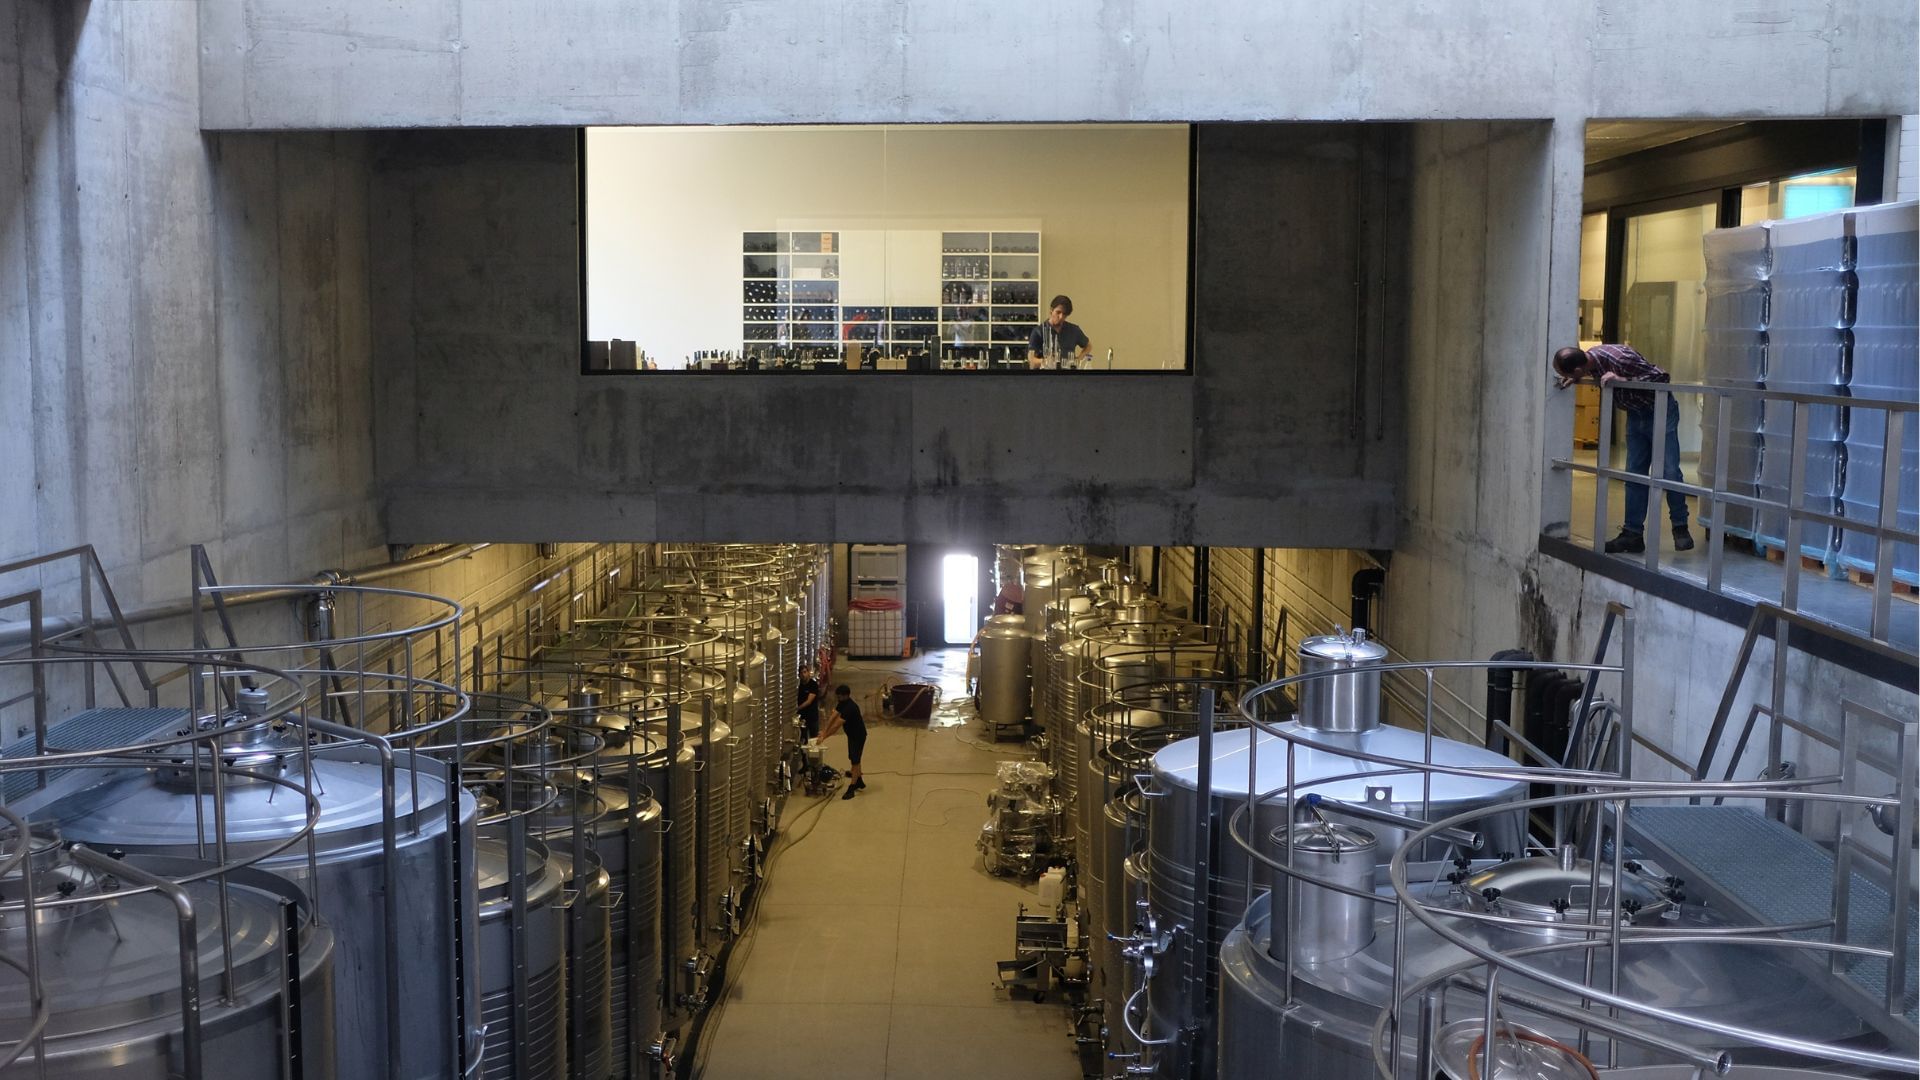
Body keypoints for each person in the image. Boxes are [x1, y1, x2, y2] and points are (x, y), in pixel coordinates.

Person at [1552, 344, 1694, 554]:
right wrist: (1576, 379)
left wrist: (1623, 381)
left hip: (1659, 410)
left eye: (1567, 374)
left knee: (1669, 470)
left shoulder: (1620, 358)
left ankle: (1681, 528)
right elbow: (1587, 370)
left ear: (1579, 368)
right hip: (1635, 413)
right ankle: (1632, 535)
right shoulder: (1589, 361)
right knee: (1634, 473)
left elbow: (1662, 377)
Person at [818, 684, 867, 800]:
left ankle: (852, 787)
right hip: (851, 735)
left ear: (846, 696)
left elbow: (836, 726)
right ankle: (859, 780)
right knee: (853, 758)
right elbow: (833, 717)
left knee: (855, 761)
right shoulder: (843, 703)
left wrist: (824, 737)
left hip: (858, 736)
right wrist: (824, 731)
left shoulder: (850, 707)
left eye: (839, 697)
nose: (838, 699)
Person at [1028, 295, 1090, 369]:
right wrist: (1045, 361)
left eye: (1064, 314)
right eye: (1058, 312)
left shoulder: (1073, 330)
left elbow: (1088, 346)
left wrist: (1078, 359)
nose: (1061, 317)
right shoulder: (1038, 331)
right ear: (1051, 310)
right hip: (1047, 375)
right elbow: (1031, 360)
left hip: (1069, 375)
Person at [796, 664, 822, 741]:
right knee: (803, 738)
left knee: (814, 738)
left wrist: (797, 708)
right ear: (799, 675)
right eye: (801, 673)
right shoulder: (798, 686)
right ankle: (804, 753)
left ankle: (813, 753)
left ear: (808, 673)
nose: (803, 674)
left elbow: (809, 701)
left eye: (805, 672)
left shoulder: (813, 685)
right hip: (802, 717)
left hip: (812, 717)